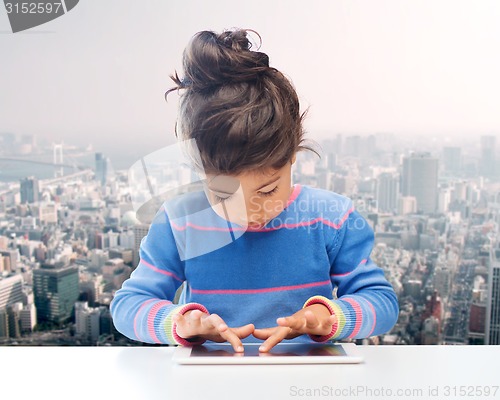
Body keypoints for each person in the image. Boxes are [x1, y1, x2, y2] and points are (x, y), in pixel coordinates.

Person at [110, 28, 399, 353]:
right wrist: (181, 321)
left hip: (305, 380)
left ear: (293, 155)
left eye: (265, 191)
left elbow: (381, 302)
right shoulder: (180, 221)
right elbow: (128, 306)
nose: (247, 213)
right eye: (222, 195)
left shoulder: (331, 218)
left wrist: (329, 316)